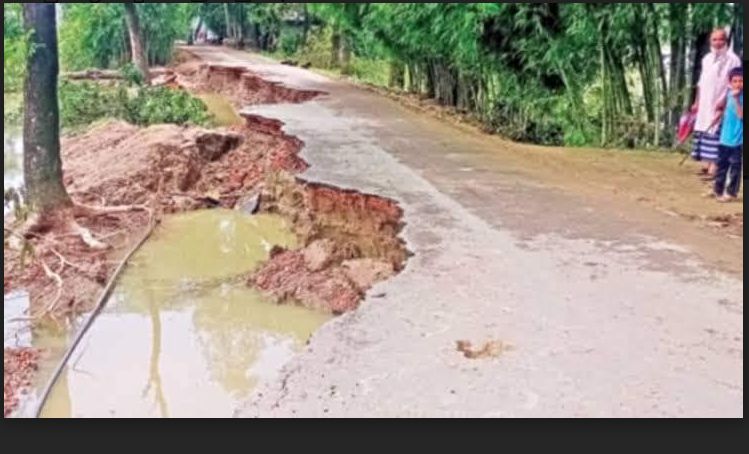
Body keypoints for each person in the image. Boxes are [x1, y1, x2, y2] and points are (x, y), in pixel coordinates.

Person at [690, 28, 742, 179]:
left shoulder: (733, 59)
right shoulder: (706, 58)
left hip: (722, 100)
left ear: (726, 41)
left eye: (721, 39)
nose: (718, 43)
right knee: (704, 130)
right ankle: (706, 164)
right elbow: (701, 81)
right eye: (715, 39)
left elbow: (735, 83)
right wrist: (696, 101)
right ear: (710, 41)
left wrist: (724, 100)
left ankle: (715, 167)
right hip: (705, 100)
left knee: (717, 131)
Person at [711, 67, 743, 202]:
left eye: (741, 81)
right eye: (735, 81)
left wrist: (736, 99)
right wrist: (717, 116)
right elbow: (721, 107)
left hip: (738, 140)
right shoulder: (729, 93)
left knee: (735, 167)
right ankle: (718, 190)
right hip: (725, 137)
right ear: (730, 82)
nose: (738, 84)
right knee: (721, 165)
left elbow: (741, 115)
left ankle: (731, 193)